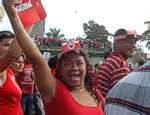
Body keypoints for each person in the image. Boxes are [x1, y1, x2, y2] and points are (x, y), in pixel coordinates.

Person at [3, 1, 104, 115]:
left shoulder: (95, 93)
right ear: (59, 68)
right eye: (67, 63)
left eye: (79, 63)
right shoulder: (53, 90)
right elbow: (36, 59)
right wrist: (12, 14)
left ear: (86, 66)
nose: (74, 67)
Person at [94, 28, 137, 97]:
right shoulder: (119, 65)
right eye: (129, 42)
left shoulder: (113, 59)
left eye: (134, 42)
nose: (133, 46)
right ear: (117, 43)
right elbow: (123, 97)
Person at [0, 30, 23, 115]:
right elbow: (12, 52)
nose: (10, 48)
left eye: (12, 45)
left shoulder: (9, 70)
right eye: (6, 45)